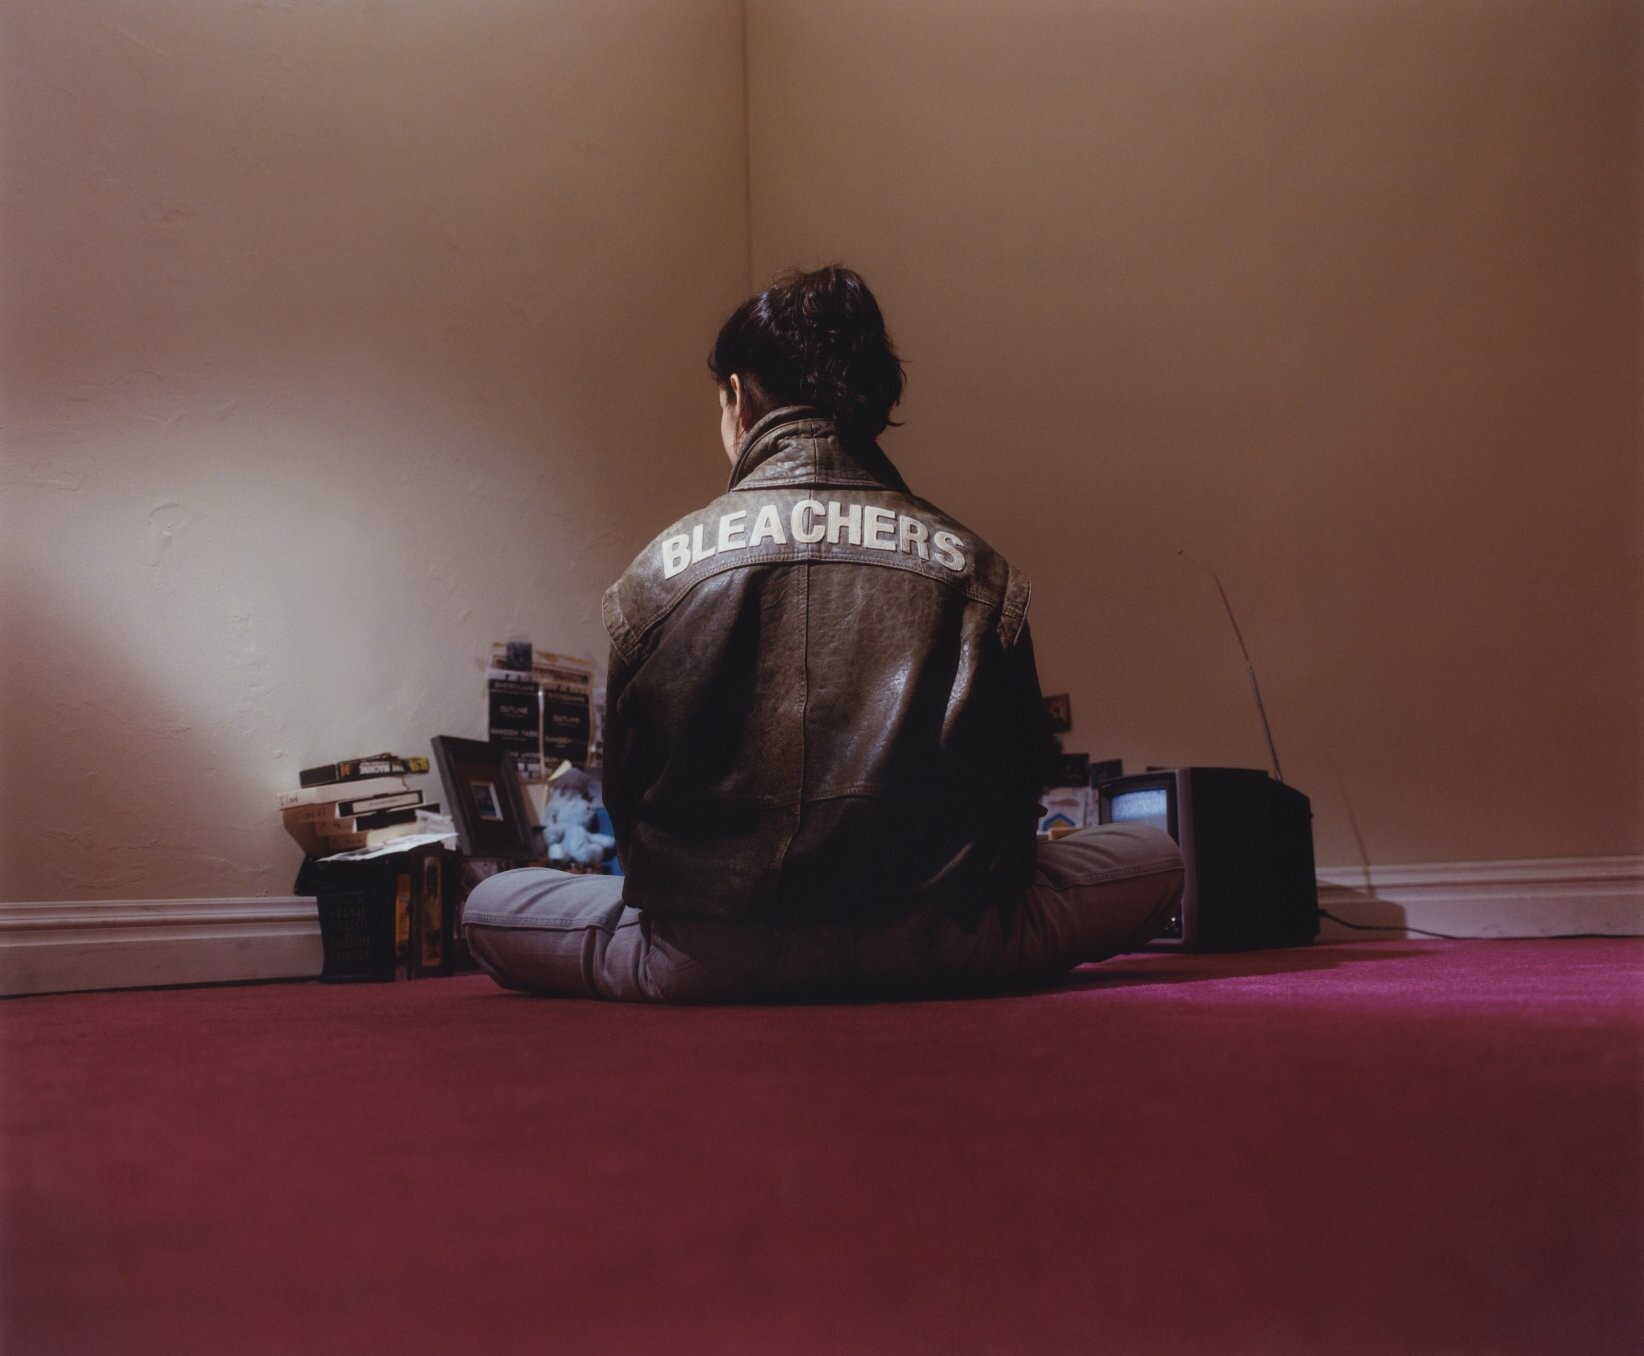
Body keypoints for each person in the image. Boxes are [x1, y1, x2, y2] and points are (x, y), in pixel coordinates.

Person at [464, 266, 1183, 1001]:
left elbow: (631, 810)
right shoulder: (980, 572)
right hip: (948, 946)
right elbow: (1016, 796)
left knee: (492, 902)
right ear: (872, 402)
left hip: (706, 957)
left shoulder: (656, 576)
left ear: (739, 398)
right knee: (1154, 857)